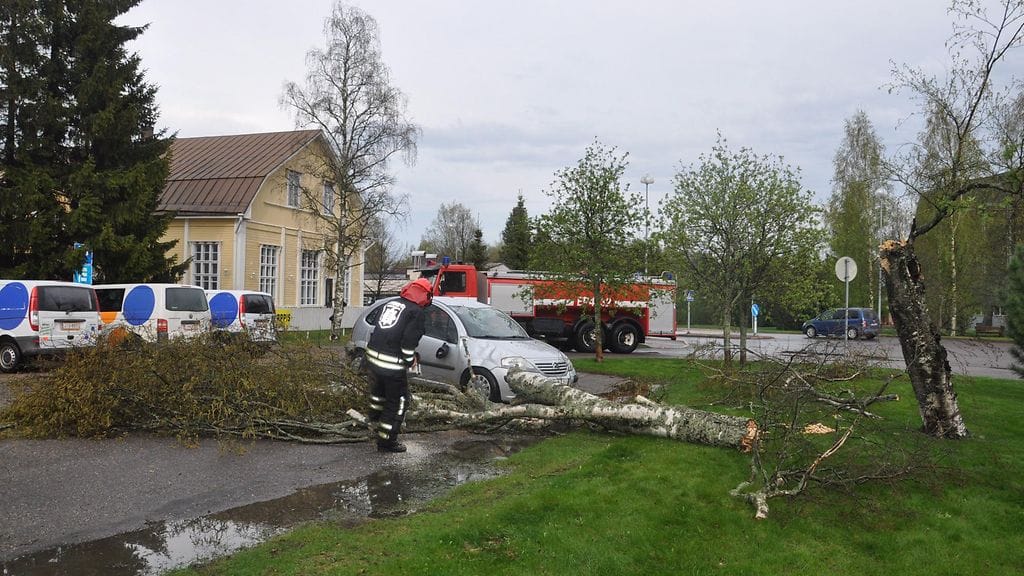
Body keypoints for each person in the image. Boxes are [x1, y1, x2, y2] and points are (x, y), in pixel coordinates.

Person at [364, 278, 432, 453]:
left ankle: (373, 421)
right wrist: (410, 360)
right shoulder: (416, 312)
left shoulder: (393, 303)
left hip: (373, 360)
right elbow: (408, 343)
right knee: (399, 402)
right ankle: (386, 441)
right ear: (425, 295)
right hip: (392, 366)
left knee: (378, 395)